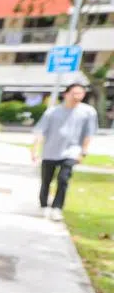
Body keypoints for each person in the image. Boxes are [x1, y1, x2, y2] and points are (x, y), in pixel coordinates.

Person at [31, 83, 98, 221]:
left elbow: (89, 133)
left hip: (72, 151)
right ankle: (44, 205)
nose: (77, 96)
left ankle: (57, 208)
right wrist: (35, 150)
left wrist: (83, 152)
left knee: (63, 179)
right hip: (50, 152)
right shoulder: (52, 112)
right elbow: (40, 132)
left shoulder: (88, 112)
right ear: (65, 94)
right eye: (74, 93)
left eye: (80, 93)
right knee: (46, 181)